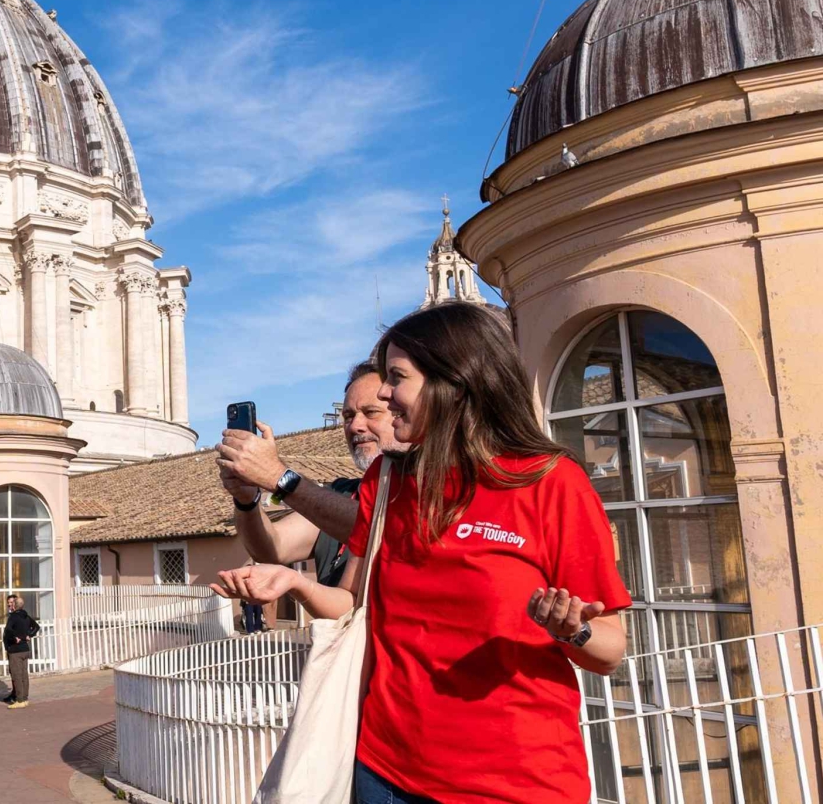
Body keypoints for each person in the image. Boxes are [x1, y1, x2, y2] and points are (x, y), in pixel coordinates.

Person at [212, 302, 630, 804]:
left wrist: (573, 629)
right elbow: (350, 599)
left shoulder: (551, 483)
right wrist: (296, 583)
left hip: (515, 783)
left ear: (454, 381)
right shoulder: (387, 482)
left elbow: (610, 651)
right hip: (385, 773)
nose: (384, 394)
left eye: (396, 378)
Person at [218, 361, 411, 587]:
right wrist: (246, 501)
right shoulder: (342, 492)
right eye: (348, 416)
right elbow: (273, 547)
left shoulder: (430, 492)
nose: (355, 426)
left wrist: (279, 478)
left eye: (371, 412)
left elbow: (380, 527)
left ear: (401, 414)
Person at [1, 595, 39, 708]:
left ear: (15, 605)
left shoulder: (13, 617)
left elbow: (8, 630)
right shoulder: (26, 616)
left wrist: (14, 638)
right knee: (24, 675)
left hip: (15, 650)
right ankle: (25, 698)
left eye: (12, 603)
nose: (10, 605)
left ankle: (20, 699)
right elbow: (36, 627)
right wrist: (29, 635)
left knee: (17, 675)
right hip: (25, 649)